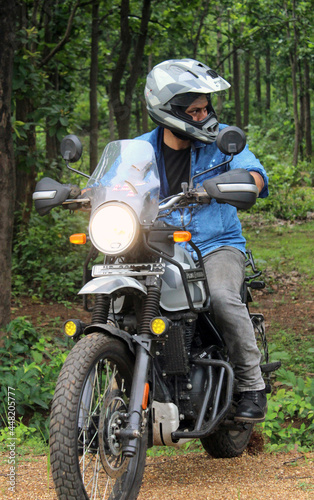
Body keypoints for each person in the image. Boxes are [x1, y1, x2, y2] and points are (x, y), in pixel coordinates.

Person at [137, 58, 268, 423]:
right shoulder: (140, 150)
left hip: (216, 244)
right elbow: (115, 181)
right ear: (168, 111)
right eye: (193, 111)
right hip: (157, 245)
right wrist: (85, 193)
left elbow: (256, 176)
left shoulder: (224, 141)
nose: (204, 115)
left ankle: (251, 385)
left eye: (206, 107)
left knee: (224, 299)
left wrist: (235, 184)